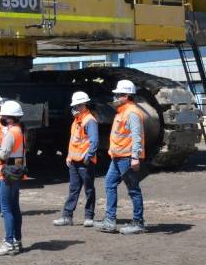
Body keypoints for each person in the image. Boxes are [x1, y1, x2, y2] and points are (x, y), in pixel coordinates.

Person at [96, 79, 147, 235]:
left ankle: (138, 223)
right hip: (117, 157)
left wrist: (135, 157)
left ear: (126, 95)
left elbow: (137, 136)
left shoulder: (132, 112)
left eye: (118, 95)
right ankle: (110, 221)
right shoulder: (123, 111)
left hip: (127, 157)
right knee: (109, 183)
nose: (115, 97)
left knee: (133, 189)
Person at [54, 91, 98, 227]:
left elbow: (94, 141)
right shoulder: (76, 121)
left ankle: (89, 217)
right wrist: (69, 156)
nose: (75, 109)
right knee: (73, 189)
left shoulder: (89, 120)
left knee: (89, 189)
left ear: (84, 105)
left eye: (78, 106)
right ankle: (67, 216)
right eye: (74, 106)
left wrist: (88, 157)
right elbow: (73, 141)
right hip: (74, 161)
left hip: (85, 162)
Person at [0, 100, 26, 255]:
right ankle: (17, 241)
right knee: (14, 207)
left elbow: (3, 154)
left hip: (7, 172)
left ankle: (8, 242)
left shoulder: (11, 133)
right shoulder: (19, 130)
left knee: (6, 208)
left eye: (4, 116)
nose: (2, 118)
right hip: (17, 170)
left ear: (10, 118)